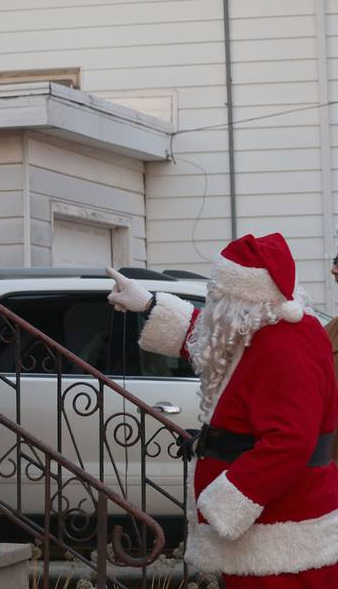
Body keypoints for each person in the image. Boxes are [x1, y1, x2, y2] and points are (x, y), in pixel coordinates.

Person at [107, 233, 338, 587]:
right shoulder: (261, 327)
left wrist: (229, 502)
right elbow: (215, 341)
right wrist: (150, 305)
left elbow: (291, 440)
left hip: (283, 540)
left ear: (243, 299)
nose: (213, 302)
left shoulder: (287, 344)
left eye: (219, 295)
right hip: (262, 532)